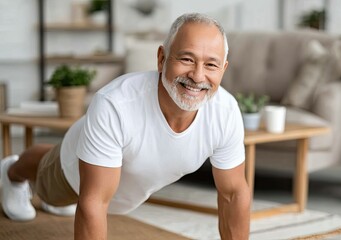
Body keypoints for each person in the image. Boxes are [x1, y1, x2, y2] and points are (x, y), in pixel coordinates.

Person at [0, 13, 251, 239]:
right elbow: (94, 202)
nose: (197, 76)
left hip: (122, 184)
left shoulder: (225, 112)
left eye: (211, 64)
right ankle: (11, 172)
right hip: (75, 173)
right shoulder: (116, 104)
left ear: (223, 69)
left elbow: (233, 194)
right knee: (51, 184)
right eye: (187, 59)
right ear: (162, 58)